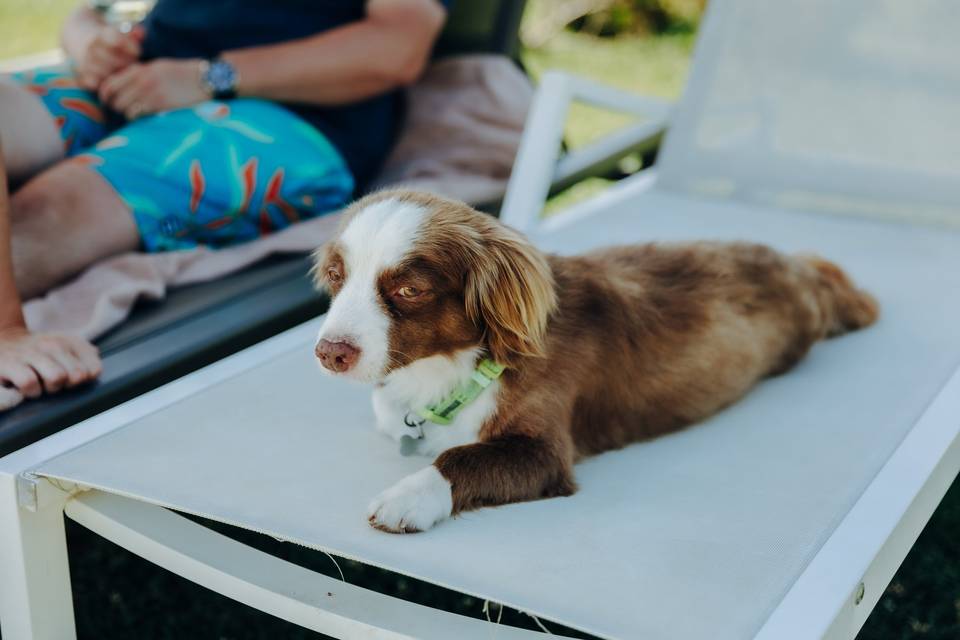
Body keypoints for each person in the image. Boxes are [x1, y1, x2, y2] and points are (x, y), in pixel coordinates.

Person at [0, 0, 448, 409]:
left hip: (290, 111)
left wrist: (208, 77)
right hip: (136, 74)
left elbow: (398, 44)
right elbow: (96, 10)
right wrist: (88, 40)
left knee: (47, 213)